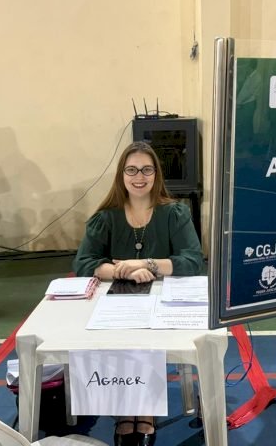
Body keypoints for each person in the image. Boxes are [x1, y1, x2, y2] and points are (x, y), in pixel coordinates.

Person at [73, 141, 203, 446]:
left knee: (146, 338)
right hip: (117, 300)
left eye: (146, 169)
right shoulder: (106, 217)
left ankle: (145, 410)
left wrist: (147, 265)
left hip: (163, 301)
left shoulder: (175, 214)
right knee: (118, 334)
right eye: (131, 170)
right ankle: (124, 409)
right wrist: (124, 271)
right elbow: (83, 263)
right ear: (121, 175)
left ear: (157, 174)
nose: (139, 177)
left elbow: (193, 261)